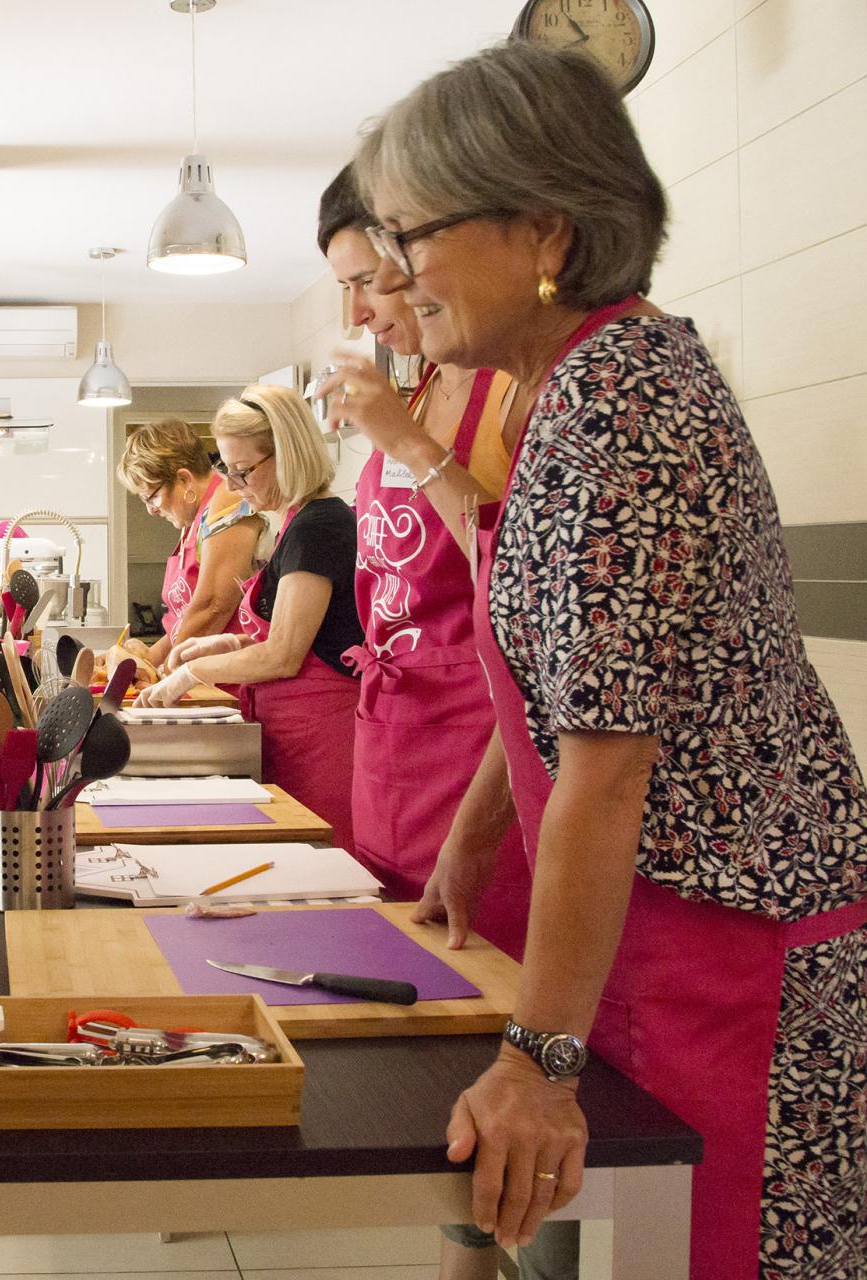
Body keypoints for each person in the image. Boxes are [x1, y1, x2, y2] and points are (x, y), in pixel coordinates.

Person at [336, 42, 867, 1277]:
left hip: (731, 944)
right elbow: (567, 682)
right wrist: (475, 836)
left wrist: (539, 1062)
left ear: (546, 233)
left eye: (415, 241)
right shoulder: (582, 385)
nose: (400, 283)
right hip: (681, 932)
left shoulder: (621, 409)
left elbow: (613, 769)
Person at [317, 164, 533, 963]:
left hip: (475, 747)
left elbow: (519, 578)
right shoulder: (425, 384)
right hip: (389, 735)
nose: (361, 312)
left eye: (370, 280)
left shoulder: (510, 389)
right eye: (347, 288)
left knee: (474, 979)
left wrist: (405, 441)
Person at [139, 385, 363, 855]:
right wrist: (222, 646)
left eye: (243, 472)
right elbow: (299, 632)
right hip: (292, 730)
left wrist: (191, 672)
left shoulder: (320, 526)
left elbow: (284, 654)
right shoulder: (297, 522)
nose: (235, 487)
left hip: (322, 737)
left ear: (288, 454)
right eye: (228, 471)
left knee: (322, 865)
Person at [116, 417, 263, 670]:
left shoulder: (225, 501)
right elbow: (183, 623)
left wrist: (163, 672)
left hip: (227, 681)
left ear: (184, 479)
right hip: (204, 676)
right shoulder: (192, 522)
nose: (151, 510)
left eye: (152, 497)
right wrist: (149, 659)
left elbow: (213, 606)